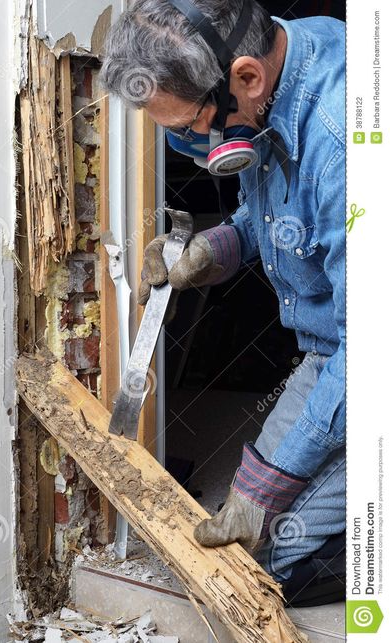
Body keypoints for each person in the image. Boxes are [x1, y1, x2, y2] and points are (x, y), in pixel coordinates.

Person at [100, 0, 345, 606]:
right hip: (333, 348)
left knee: (281, 560)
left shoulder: (344, 144)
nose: (185, 144)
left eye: (188, 129)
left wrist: (267, 491)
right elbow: (279, 220)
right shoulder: (270, 80)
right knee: (246, 545)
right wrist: (215, 248)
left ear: (246, 78)